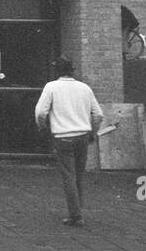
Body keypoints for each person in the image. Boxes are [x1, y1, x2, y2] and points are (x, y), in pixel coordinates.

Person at [35, 57, 104, 227]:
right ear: (72, 70)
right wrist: (92, 133)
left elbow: (40, 113)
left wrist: (43, 128)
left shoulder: (51, 87)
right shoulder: (84, 88)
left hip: (62, 136)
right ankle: (78, 208)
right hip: (82, 135)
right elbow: (98, 115)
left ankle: (76, 215)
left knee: (68, 176)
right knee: (78, 174)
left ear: (56, 71)